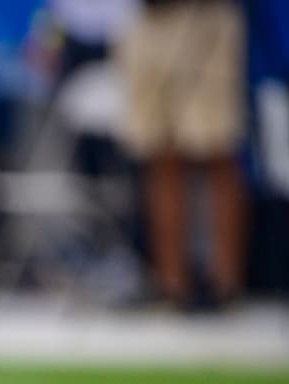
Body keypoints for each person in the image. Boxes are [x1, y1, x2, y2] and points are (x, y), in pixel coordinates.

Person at [115, 0, 247, 309]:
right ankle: (171, 285)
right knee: (159, 153)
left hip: (203, 15)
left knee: (217, 148)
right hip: (146, 17)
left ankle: (224, 284)